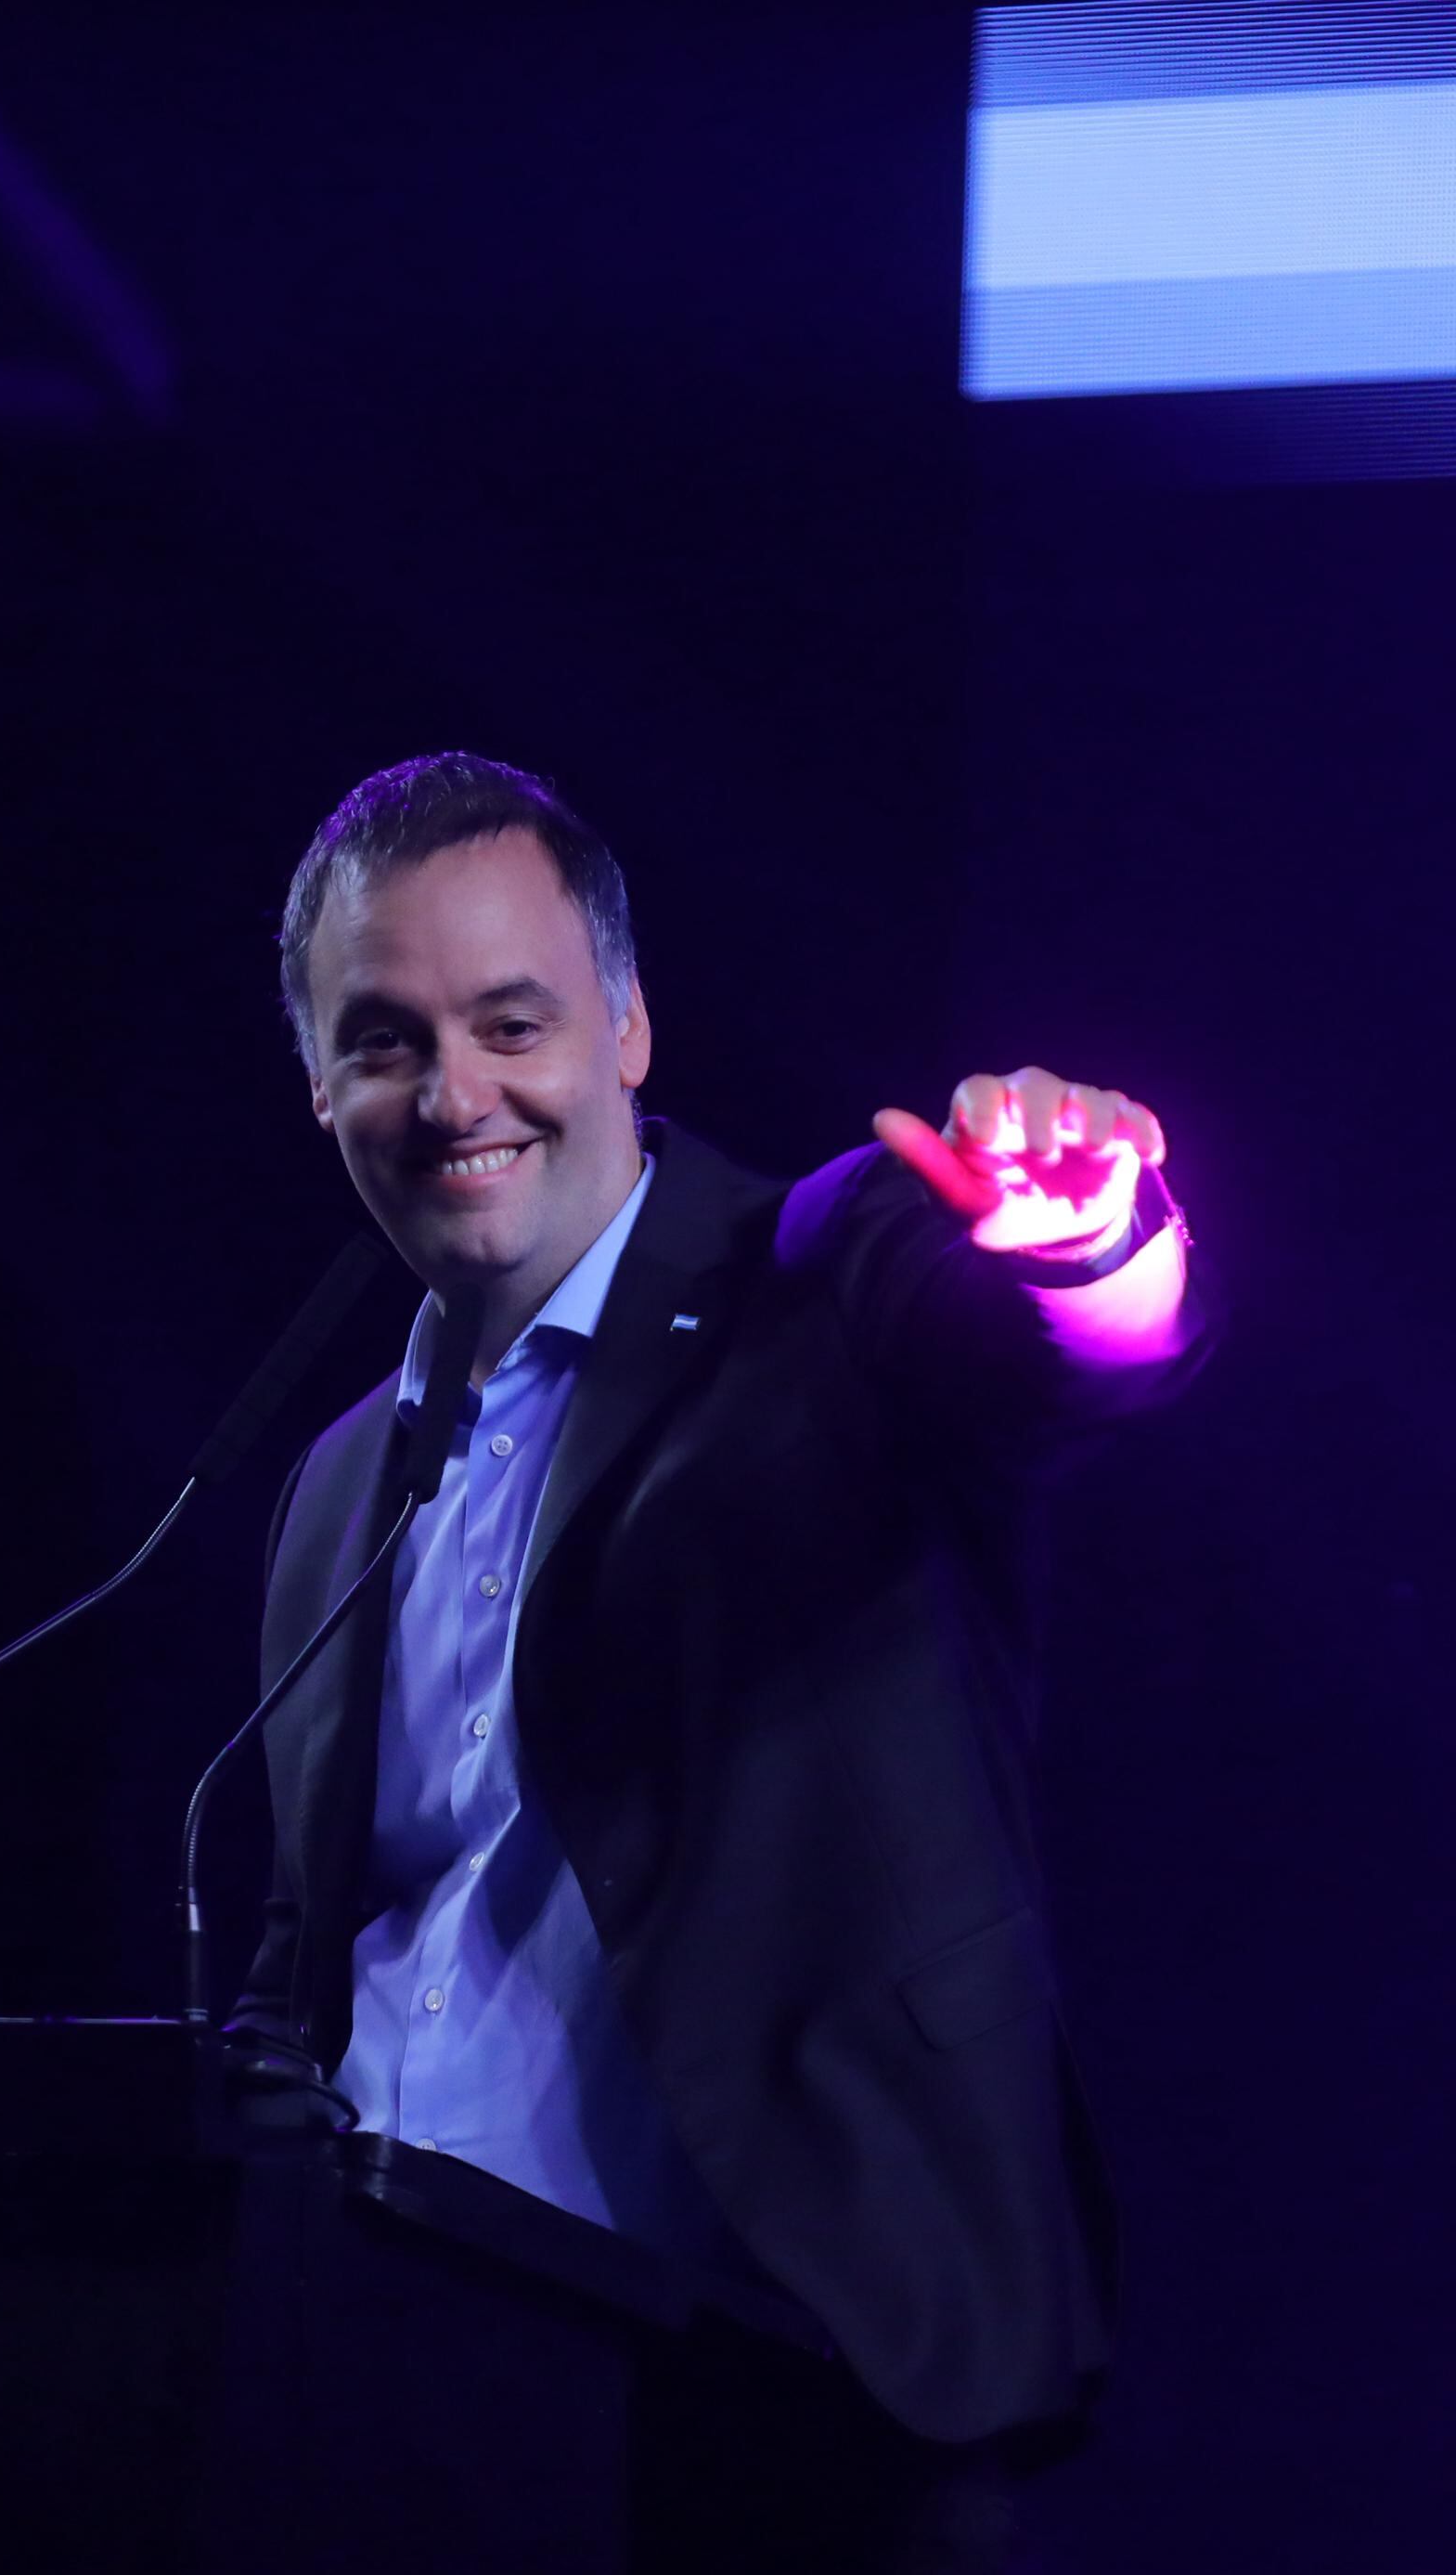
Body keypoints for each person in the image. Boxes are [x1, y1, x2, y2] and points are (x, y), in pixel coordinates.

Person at [225, 753, 1208, 2570]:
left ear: (629, 1032)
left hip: (781, 2389)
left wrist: (1089, 1241)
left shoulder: (817, 1275)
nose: (453, 1094)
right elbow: (331, 1938)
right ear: (317, 1085)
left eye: (510, 1021)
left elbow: (1067, 1349)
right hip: (398, 2404)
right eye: (384, 1039)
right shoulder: (339, 1475)